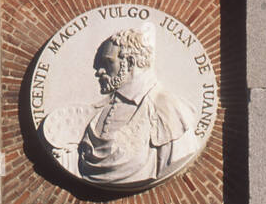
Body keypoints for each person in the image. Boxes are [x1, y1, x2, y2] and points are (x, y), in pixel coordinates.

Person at [42, 26, 200, 189]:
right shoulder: (100, 110)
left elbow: (177, 156)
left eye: (107, 62)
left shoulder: (169, 109)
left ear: (130, 62)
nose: (99, 71)